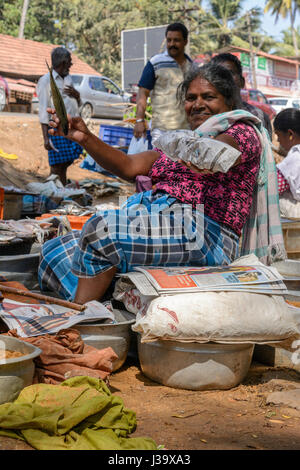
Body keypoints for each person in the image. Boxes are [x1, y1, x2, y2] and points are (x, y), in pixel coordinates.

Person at [39, 63, 285, 304]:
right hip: (163, 222)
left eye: (208, 97)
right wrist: (84, 137)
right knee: (54, 251)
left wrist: (201, 155)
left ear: (228, 103)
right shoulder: (185, 141)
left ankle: (83, 316)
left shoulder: (242, 131)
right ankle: (108, 295)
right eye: (191, 98)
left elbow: (219, 153)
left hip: (205, 234)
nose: (198, 104)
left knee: (101, 230)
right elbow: (128, 166)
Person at [133, 22, 192, 145]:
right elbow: (143, 92)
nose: (171, 44)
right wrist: (139, 121)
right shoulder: (155, 62)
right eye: (169, 40)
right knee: (160, 163)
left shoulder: (192, 66)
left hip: (187, 130)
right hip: (161, 130)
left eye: (176, 40)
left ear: (185, 41)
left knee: (182, 164)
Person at [36, 47, 83, 185]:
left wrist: (77, 96)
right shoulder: (46, 81)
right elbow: (44, 110)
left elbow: (75, 103)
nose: (71, 64)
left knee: (65, 164)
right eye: (69, 61)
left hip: (71, 128)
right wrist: (46, 138)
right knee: (57, 167)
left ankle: (61, 193)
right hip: (57, 130)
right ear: (63, 62)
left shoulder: (67, 78)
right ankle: (52, 195)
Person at [210, 53, 273, 140]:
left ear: (242, 82)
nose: (225, 79)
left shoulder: (258, 116)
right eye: (219, 74)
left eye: (230, 73)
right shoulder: (205, 115)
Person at [273, 108, 300, 218]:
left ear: (290, 134)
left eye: (278, 135)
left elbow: (274, 186)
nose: (278, 140)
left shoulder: (295, 156)